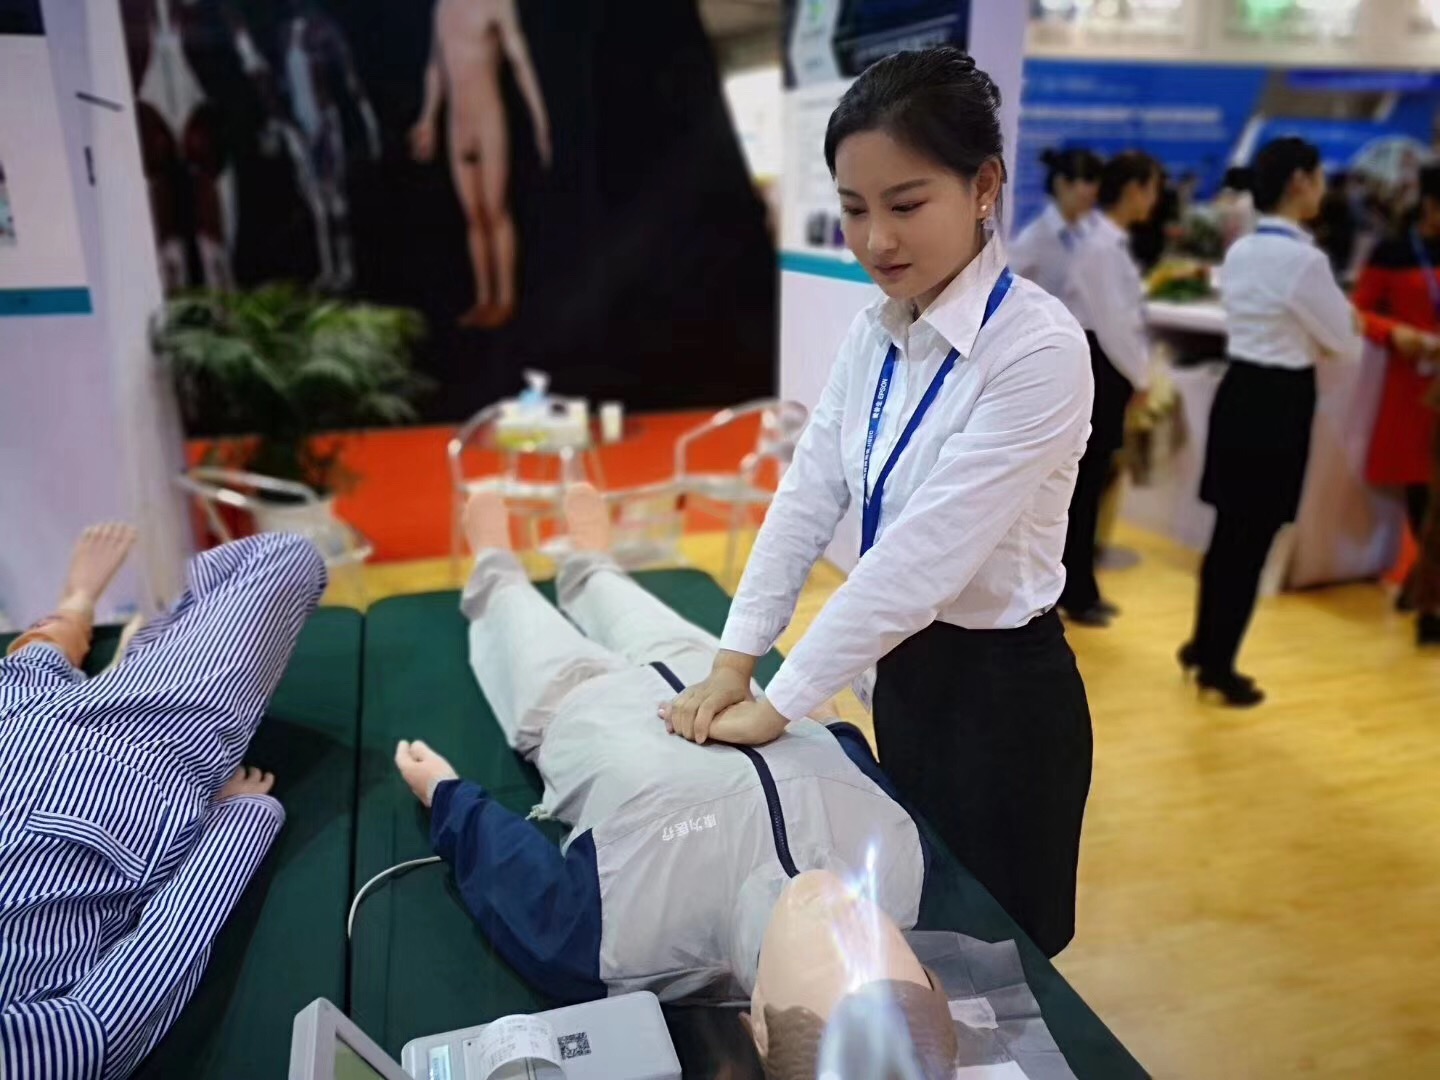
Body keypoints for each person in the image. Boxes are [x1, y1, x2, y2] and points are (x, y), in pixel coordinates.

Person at [658, 47, 1095, 959]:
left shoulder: (1038, 349)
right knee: (914, 928)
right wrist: (735, 660)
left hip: (1004, 701)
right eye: (854, 209)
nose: (876, 241)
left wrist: (780, 702)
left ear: (983, 186)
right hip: (903, 677)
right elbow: (808, 493)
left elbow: (922, 559)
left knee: (1000, 958)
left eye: (905, 204)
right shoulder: (876, 332)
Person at [395, 488, 957, 1077]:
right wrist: (829, 724)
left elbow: (522, 887)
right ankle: (590, 563)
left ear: (759, 1025)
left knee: (513, 611)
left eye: (832, 960)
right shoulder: (905, 865)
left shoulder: (623, 945)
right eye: (877, 945)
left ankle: (494, 563)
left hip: (578, 707)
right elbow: (861, 773)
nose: (844, 917)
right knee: (618, 593)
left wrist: (445, 795)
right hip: (715, 681)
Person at [0, 525, 327, 1078]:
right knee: (281, 556)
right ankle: (137, 651)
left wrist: (76, 605)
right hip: (133, 762)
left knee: (35, 667)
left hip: (25, 719)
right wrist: (239, 822)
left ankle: (106, 635)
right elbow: (137, 981)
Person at [1181, 137, 1364, 705]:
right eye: (1318, 178)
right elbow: (1344, 343)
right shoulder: (1305, 262)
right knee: (1253, 539)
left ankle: (1203, 647)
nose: (1323, 189)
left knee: (1227, 534)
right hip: (1279, 401)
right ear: (1299, 182)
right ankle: (1219, 667)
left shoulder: (1242, 250)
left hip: (1239, 391)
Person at [1058, 151, 1162, 627]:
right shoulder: (1100, 246)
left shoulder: (1106, 242)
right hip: (1102, 367)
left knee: (1090, 483)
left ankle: (1079, 586)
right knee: (1085, 484)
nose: (1153, 200)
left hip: (1105, 365)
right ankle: (1075, 590)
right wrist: (1141, 377)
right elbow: (1115, 325)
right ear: (1134, 189)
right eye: (1151, 189)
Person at [410, 0, 553, 329]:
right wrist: (428, 117)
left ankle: (506, 298)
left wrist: (540, 121)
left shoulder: (498, 4)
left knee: (495, 209)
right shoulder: (443, 8)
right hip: (458, 123)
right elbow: (436, 66)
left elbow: (520, 61)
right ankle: (484, 298)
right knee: (473, 215)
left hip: (488, 118)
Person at [1353, 163, 1440, 631]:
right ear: (1429, 205)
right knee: (1423, 489)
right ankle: (1427, 594)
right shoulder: (1392, 251)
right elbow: (1359, 312)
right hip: (1415, 387)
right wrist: (1395, 333)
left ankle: (1423, 589)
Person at [1009, 147, 1102, 304]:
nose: (1094, 191)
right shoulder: (1033, 239)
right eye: (1088, 181)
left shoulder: (1088, 233)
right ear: (1062, 184)